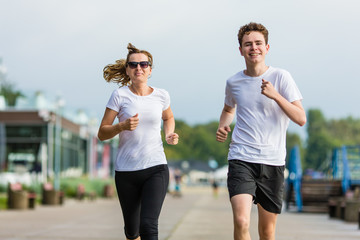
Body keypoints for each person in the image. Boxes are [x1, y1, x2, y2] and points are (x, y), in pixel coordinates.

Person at [216, 22, 306, 240]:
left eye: (258, 43)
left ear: (267, 48)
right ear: (241, 50)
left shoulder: (281, 77)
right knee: (241, 221)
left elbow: (301, 118)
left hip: (272, 161)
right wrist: (223, 125)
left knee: (267, 232)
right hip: (241, 157)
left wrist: (276, 95)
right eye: (248, 44)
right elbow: (229, 108)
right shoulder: (233, 82)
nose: (253, 48)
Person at [98, 43, 179, 240]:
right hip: (126, 171)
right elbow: (102, 132)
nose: (138, 68)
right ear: (127, 70)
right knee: (132, 232)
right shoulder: (119, 95)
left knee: (148, 226)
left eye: (143, 64)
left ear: (150, 70)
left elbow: (168, 117)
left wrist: (169, 133)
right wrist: (121, 126)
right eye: (133, 65)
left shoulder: (162, 95)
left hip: (155, 167)